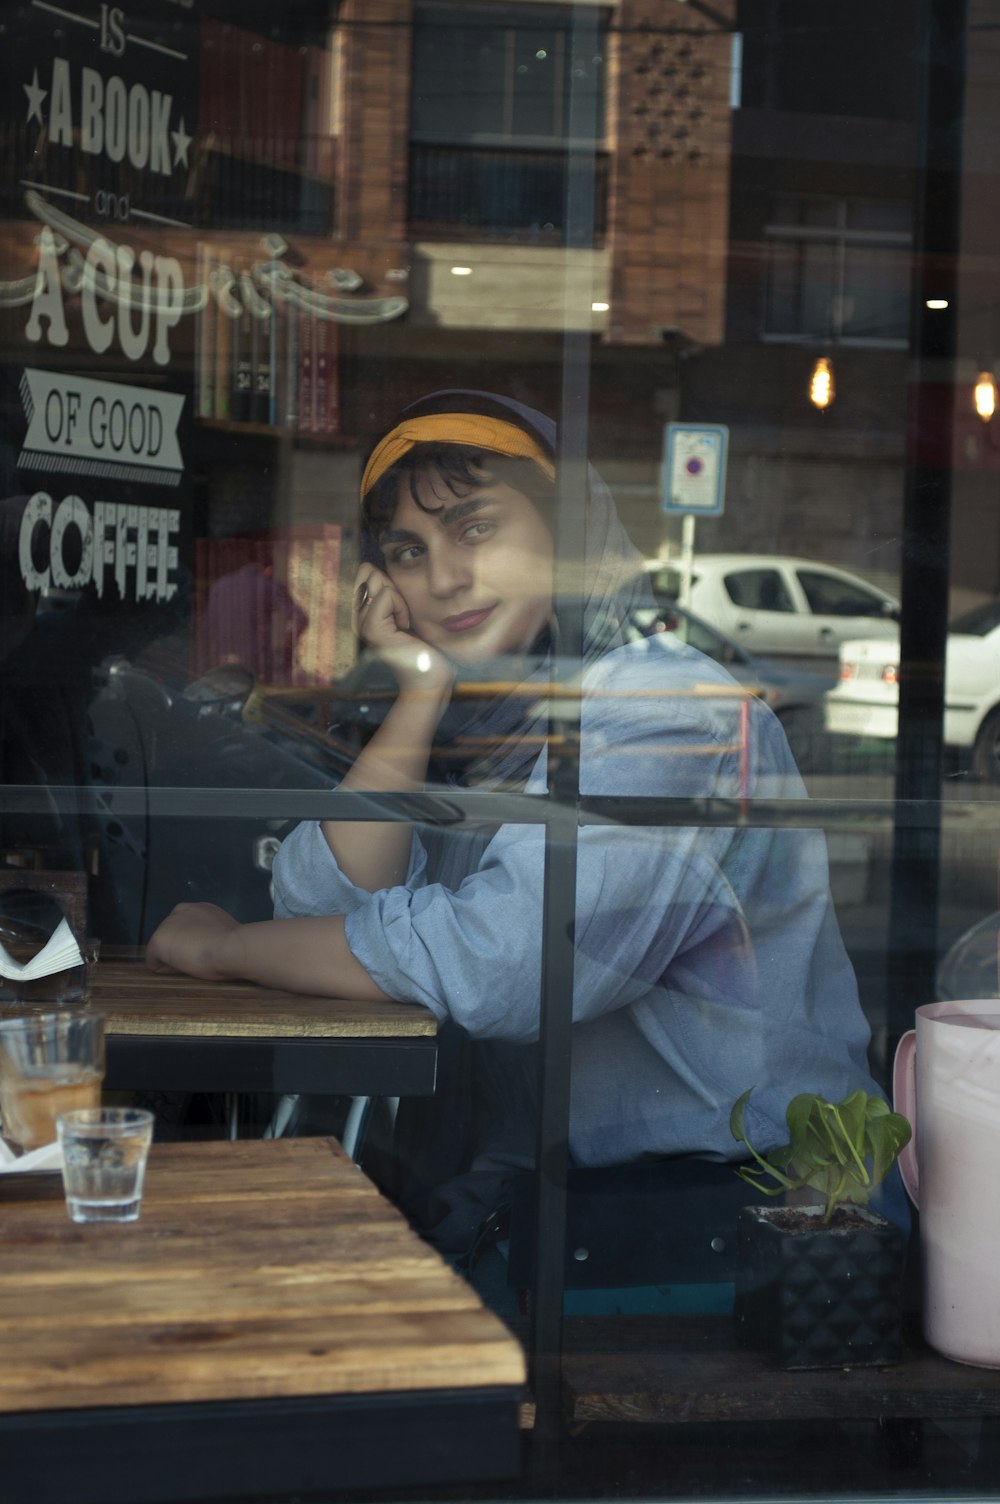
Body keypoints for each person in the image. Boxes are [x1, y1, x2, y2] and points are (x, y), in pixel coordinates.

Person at [146, 390, 896, 1265]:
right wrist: (419, 692)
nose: (444, 579)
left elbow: (509, 963)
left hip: (768, 1221)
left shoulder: (662, 706)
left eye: (474, 529)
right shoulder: (491, 725)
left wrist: (227, 951)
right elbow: (321, 894)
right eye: (408, 552)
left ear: (568, 530)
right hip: (602, 1206)